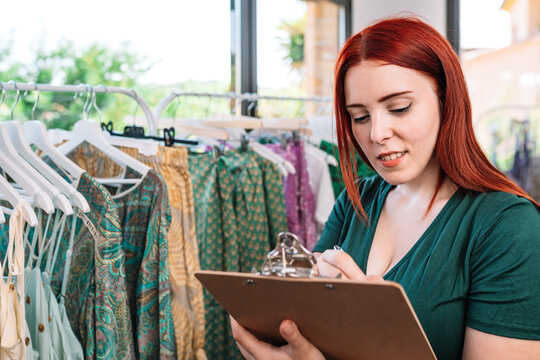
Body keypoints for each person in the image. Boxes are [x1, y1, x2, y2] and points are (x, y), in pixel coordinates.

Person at [230, 15, 540, 360]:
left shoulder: (509, 227)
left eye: (399, 108)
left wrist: (377, 336)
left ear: (447, 100)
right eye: (359, 117)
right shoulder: (354, 202)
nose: (376, 134)